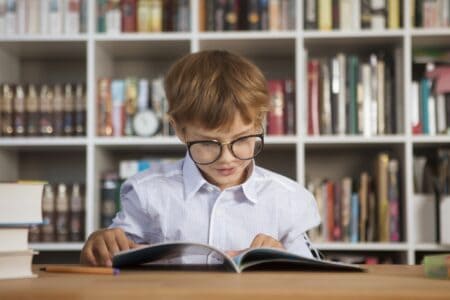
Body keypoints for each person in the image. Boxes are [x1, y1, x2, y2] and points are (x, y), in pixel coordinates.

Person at [80, 50, 321, 267]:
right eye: (208, 143)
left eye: (242, 140)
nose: (227, 159)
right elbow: (106, 260)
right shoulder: (147, 194)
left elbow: (311, 279)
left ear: (259, 124)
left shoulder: (288, 199)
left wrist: (281, 261)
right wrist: (99, 244)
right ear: (179, 130)